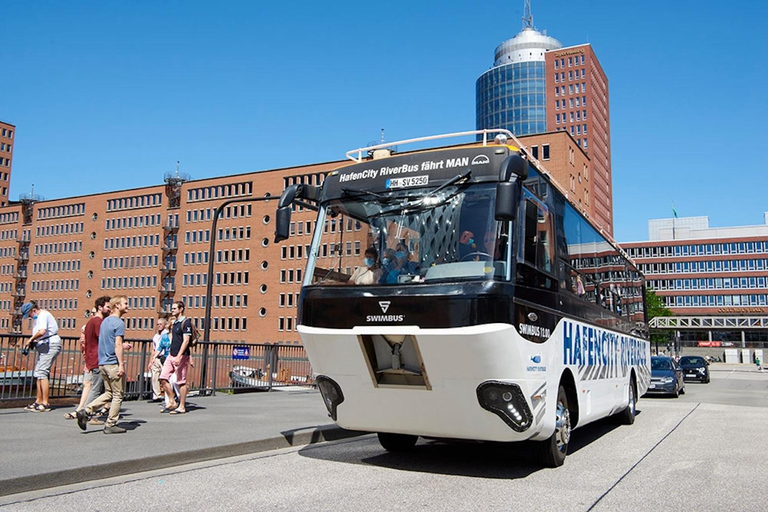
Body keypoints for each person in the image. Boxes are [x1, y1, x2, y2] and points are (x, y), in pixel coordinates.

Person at [76, 295, 130, 434]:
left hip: (103, 363)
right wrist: (121, 364)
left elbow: (101, 342)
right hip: (113, 363)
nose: (127, 306)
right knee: (118, 394)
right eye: (125, 303)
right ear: (117, 305)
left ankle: (86, 410)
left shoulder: (104, 322)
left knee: (108, 393)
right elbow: (118, 344)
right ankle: (111, 424)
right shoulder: (118, 323)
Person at [63, 296, 111, 423]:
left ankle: (87, 413)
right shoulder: (98, 322)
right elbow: (103, 339)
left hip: (91, 359)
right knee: (96, 388)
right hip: (98, 359)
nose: (110, 309)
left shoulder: (90, 322)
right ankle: (85, 413)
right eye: (108, 307)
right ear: (100, 307)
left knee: (96, 387)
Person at [18, 301, 62, 412]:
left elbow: (42, 331)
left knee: (42, 372)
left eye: (29, 315)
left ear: (33, 310)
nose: (30, 318)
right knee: (38, 373)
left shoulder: (42, 315)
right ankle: (38, 401)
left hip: (50, 344)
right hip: (44, 345)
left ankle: (45, 403)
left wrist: (31, 339)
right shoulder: (38, 317)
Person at [159, 301, 194, 415]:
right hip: (171, 354)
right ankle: (172, 400)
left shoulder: (186, 322)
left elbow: (186, 341)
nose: (172, 310)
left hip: (181, 356)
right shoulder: (174, 323)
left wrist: (179, 356)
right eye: (172, 308)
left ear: (181, 309)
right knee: (163, 378)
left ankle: (182, 406)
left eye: (174, 308)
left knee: (181, 381)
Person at [148, 317, 169, 401]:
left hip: (165, 357)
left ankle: (168, 395)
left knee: (165, 377)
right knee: (154, 376)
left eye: (161, 324)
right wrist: (151, 361)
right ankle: (156, 395)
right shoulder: (156, 336)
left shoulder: (167, 334)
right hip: (156, 358)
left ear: (164, 325)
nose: (159, 326)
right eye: (158, 324)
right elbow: (153, 349)